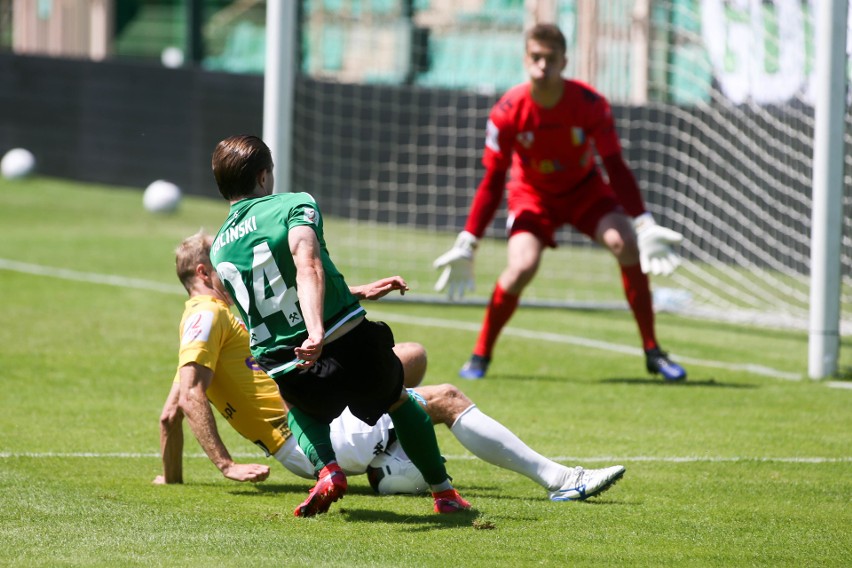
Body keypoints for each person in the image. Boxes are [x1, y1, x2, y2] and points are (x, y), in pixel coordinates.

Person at [154, 231, 625, 503]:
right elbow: (191, 394)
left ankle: (388, 469)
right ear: (203, 274)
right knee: (444, 399)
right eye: (220, 263)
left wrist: (170, 478)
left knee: (409, 357)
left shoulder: (219, 315)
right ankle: (561, 481)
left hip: (315, 420)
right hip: (307, 435)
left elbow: (170, 410)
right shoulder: (206, 315)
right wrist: (225, 465)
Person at [208, 134, 470, 517]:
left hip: (284, 358)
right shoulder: (293, 204)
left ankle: (328, 470)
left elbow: (277, 291)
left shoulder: (219, 248)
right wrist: (316, 330)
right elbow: (306, 264)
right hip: (339, 336)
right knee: (398, 398)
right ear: (263, 177)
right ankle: (444, 493)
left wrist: (358, 289)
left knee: (299, 407)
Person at [433, 23, 687, 382]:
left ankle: (652, 351)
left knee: (626, 244)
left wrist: (643, 222)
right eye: (536, 58)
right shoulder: (507, 111)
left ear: (564, 61)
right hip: (532, 195)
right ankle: (480, 354)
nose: (542, 66)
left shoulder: (590, 104)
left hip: (585, 191)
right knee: (522, 266)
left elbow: (614, 165)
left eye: (550, 59)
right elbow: (493, 181)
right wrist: (468, 240)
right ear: (526, 59)